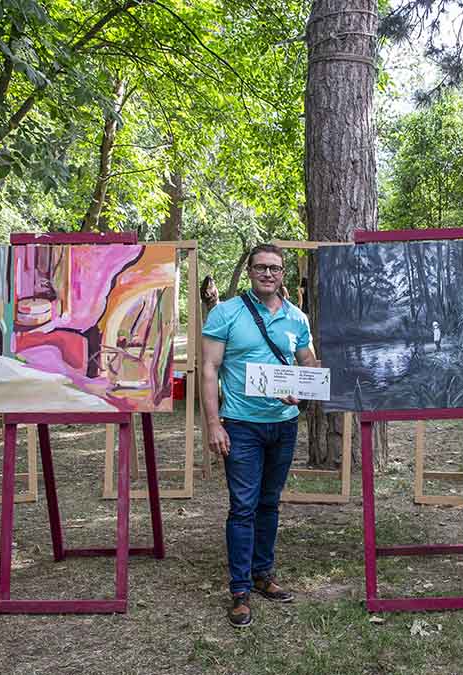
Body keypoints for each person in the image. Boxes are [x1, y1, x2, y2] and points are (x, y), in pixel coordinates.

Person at [200, 244, 319, 628]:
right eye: (261, 267)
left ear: (283, 273)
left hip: (283, 425)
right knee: (244, 506)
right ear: (250, 272)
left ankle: (263, 575)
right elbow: (208, 369)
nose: (269, 274)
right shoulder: (226, 313)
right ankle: (239, 591)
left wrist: (305, 387)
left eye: (276, 268)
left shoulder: (296, 318)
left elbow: (308, 364)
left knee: (269, 503)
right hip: (241, 425)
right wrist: (213, 423)